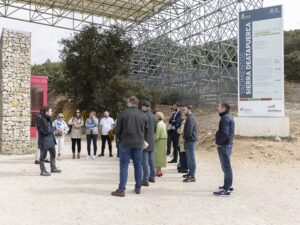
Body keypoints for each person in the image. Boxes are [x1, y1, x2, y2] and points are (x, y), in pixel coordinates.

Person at [111, 96, 148, 197]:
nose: (127, 104)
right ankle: (138, 188)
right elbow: (147, 130)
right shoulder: (143, 115)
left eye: (127, 102)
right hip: (139, 143)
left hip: (126, 143)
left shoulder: (123, 114)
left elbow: (117, 130)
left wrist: (118, 139)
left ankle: (122, 189)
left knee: (124, 166)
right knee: (138, 166)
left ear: (130, 103)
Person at [213, 103, 235, 196]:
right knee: (226, 167)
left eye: (219, 107)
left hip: (224, 145)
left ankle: (226, 190)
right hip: (227, 145)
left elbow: (225, 134)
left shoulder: (225, 118)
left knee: (226, 167)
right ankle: (228, 185)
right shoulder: (228, 116)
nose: (217, 108)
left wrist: (219, 143)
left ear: (224, 108)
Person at [39, 106, 62, 176]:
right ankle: (43, 171)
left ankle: (53, 168)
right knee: (43, 157)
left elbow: (49, 130)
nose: (52, 112)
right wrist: (53, 127)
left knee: (53, 155)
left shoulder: (48, 119)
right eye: (50, 111)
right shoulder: (42, 120)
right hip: (44, 141)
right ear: (46, 112)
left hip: (51, 140)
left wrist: (53, 127)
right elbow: (46, 131)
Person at [141, 101, 156, 186]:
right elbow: (155, 130)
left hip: (145, 140)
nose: (142, 108)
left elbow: (142, 129)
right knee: (151, 159)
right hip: (151, 140)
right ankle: (152, 177)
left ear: (147, 107)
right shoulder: (154, 117)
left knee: (145, 160)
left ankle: (145, 179)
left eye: (143, 106)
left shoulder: (143, 116)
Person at [182, 105, 198, 182]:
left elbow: (189, 131)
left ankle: (192, 176)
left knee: (191, 159)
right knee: (189, 158)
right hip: (189, 140)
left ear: (189, 110)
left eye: (184, 110)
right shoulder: (189, 117)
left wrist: (184, 137)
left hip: (191, 140)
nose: (183, 111)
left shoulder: (191, 118)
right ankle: (190, 173)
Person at [154, 112, 167, 177]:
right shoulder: (163, 123)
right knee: (161, 156)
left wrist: (153, 140)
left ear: (158, 117)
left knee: (157, 156)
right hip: (163, 140)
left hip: (159, 141)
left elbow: (157, 134)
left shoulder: (159, 124)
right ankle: (159, 171)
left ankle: (157, 172)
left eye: (155, 116)